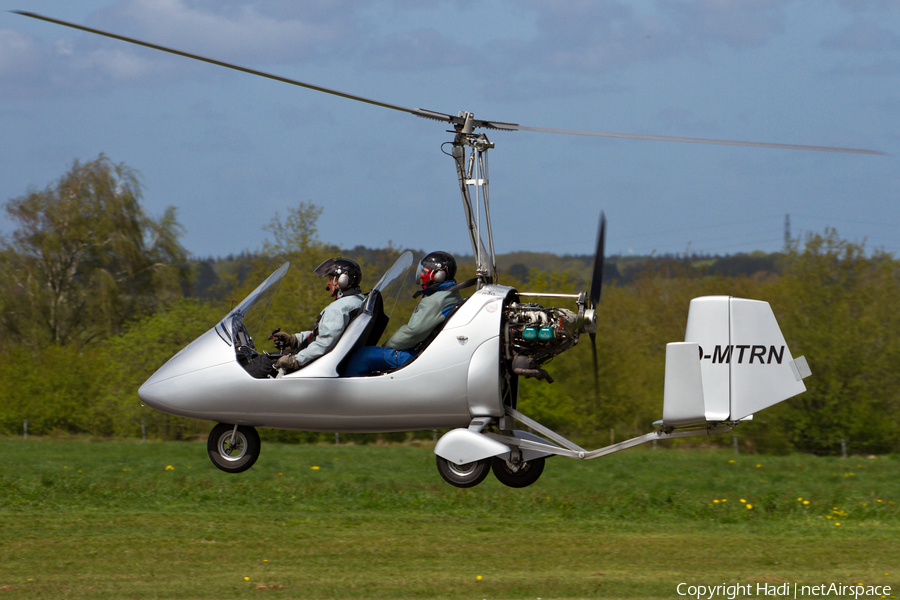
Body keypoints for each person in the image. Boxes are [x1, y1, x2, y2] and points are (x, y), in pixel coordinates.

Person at [344, 251, 463, 377]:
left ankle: (347, 396)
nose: (421, 275)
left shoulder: (436, 300)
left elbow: (412, 332)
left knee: (362, 356)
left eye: (425, 272)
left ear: (439, 275)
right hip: (424, 352)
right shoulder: (450, 295)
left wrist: (387, 347)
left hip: (413, 355)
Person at [272, 257, 365, 373]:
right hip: (326, 363)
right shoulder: (358, 301)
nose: (328, 283)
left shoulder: (340, 308)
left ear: (342, 280)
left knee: (263, 364)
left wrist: (295, 360)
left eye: (331, 278)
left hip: (315, 366)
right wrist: (294, 339)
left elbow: (325, 342)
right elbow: (326, 334)